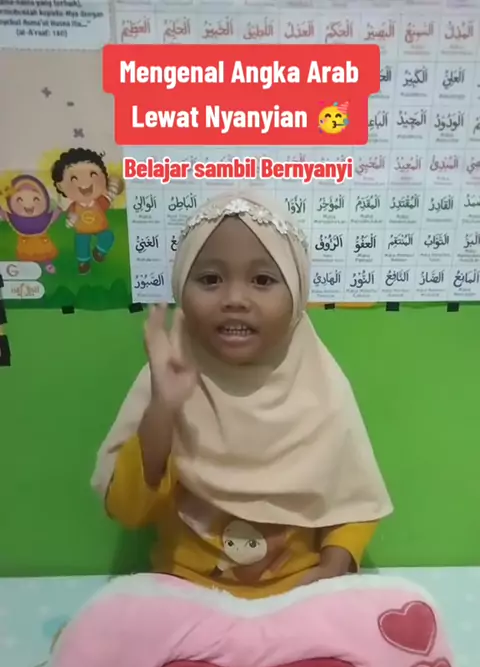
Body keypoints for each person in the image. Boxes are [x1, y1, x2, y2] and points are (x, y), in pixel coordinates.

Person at [91, 190, 392, 599]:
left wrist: (333, 568)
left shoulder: (323, 388)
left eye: (263, 280)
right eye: (210, 280)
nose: (234, 300)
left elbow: (353, 502)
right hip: (187, 593)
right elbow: (128, 511)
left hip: (298, 595)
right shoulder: (167, 380)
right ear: (181, 287)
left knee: (391, 613)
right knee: (111, 621)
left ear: (297, 294)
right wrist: (163, 409)